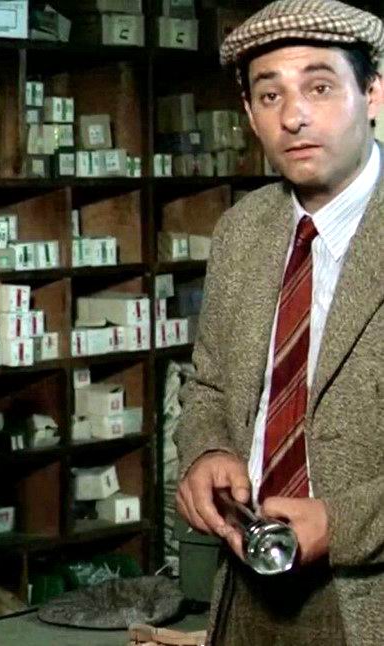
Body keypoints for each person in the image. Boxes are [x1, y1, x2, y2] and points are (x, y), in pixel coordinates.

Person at [174, 1, 384, 643]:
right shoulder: (241, 230)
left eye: (319, 87)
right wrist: (207, 450)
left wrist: (343, 523)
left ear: (373, 93)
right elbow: (208, 386)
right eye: (270, 95)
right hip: (248, 586)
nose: (293, 116)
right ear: (249, 114)